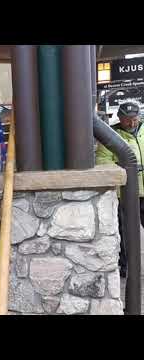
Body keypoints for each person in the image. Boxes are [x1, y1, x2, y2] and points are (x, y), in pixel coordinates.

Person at [95, 101, 144, 278]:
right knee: (125, 233)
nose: (132, 123)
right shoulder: (111, 136)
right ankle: (126, 266)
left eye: (134, 119)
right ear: (120, 118)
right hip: (124, 194)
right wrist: (122, 167)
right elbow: (102, 160)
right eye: (127, 120)